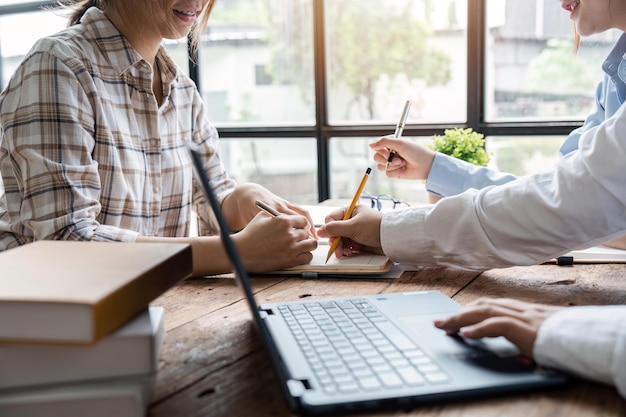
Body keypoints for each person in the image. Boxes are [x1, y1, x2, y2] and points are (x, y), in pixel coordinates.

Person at [317, 0, 626, 397]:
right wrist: (436, 169)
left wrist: (388, 229)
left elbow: (568, 204)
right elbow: (561, 192)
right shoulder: (614, 78)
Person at [0, 0, 317, 275]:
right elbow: (65, 241)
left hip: (148, 311)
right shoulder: (58, 66)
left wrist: (242, 199)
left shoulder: (181, 90)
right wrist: (236, 253)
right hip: (45, 325)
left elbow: (210, 197)